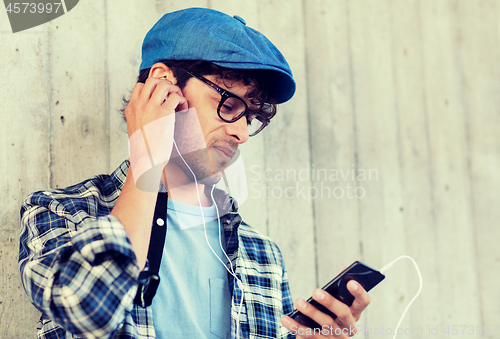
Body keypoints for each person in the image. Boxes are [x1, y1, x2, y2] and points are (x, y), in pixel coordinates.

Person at [19, 7, 370, 339]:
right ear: (164, 86)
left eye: (251, 117)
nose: (243, 134)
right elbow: (87, 308)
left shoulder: (263, 256)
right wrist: (146, 157)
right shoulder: (63, 213)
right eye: (229, 105)